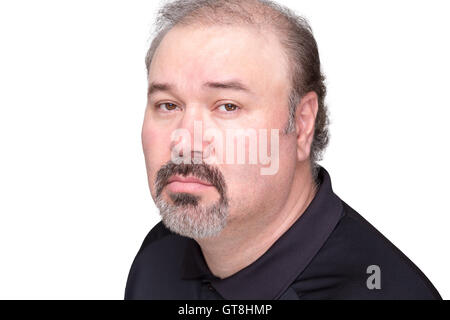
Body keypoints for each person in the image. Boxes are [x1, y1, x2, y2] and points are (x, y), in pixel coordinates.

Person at [124, 0, 441, 300]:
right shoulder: (157, 259)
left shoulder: (386, 292)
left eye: (228, 106)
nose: (184, 142)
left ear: (302, 124)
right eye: (167, 105)